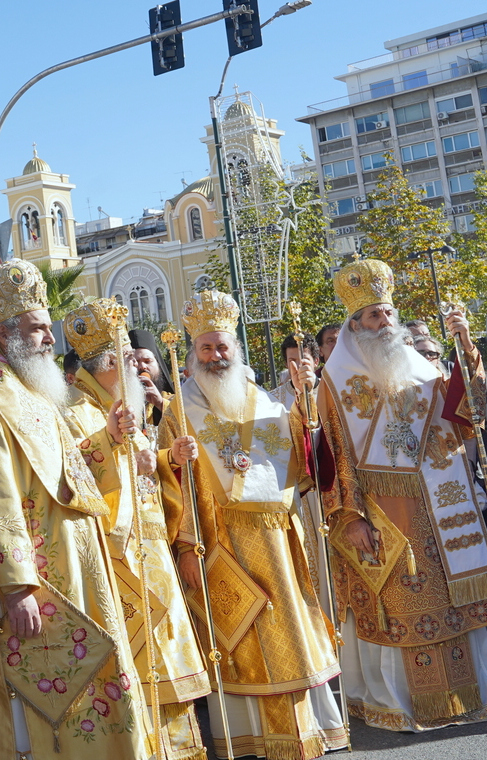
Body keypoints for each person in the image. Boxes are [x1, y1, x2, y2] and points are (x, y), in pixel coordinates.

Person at [0, 260, 155, 759]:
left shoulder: (32, 391)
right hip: (39, 582)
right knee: (42, 706)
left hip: (79, 567)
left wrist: (107, 442)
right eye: (37, 329)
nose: (48, 341)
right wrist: (16, 588)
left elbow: (70, 478)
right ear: (5, 333)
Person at [318, 259, 487, 731]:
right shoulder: (335, 382)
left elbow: (466, 415)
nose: (382, 323)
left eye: (386, 314)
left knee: (452, 604)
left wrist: (466, 347)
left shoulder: (421, 370)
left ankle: (474, 694)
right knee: (400, 609)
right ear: (354, 325)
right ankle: (400, 704)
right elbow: (335, 457)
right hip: (385, 516)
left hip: (442, 508)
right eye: (371, 317)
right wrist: (350, 518)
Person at [160, 290, 347, 759]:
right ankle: (248, 737)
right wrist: (184, 540)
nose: (215, 356)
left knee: (292, 630)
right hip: (218, 543)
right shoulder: (178, 411)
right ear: (192, 355)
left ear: (235, 348)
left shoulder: (263, 400)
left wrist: (306, 407)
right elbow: (166, 483)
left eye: (222, 346)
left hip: (278, 541)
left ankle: (309, 728)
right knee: (238, 637)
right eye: (205, 348)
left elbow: (302, 462)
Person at [62, 299, 209, 759]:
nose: (136, 364)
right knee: (135, 659)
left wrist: (165, 461)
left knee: (166, 652)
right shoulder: (72, 411)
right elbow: (69, 482)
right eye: (127, 356)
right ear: (106, 363)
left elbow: (144, 473)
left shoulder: (125, 404)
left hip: (152, 546)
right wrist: (110, 443)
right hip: (116, 556)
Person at [269, 332, 318, 408]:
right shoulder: (273, 399)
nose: (299, 366)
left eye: (304, 359)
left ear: (316, 361)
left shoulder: (331, 391)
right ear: (286, 364)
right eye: (292, 361)